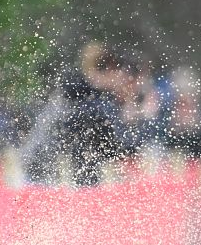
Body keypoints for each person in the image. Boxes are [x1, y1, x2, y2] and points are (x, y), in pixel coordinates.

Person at [21, 41, 157, 186]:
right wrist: (133, 116)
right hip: (43, 169)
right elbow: (119, 148)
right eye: (130, 81)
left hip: (56, 168)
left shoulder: (97, 98)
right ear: (114, 72)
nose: (134, 87)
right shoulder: (88, 99)